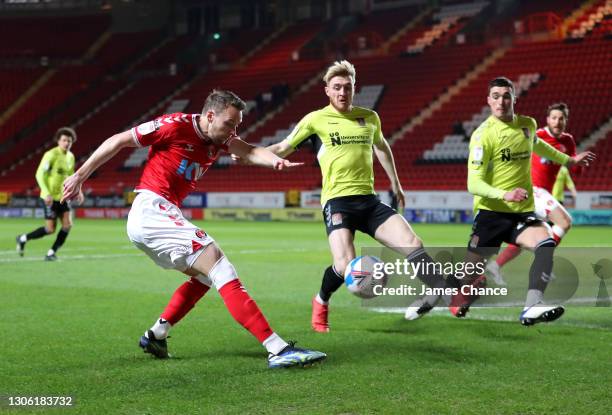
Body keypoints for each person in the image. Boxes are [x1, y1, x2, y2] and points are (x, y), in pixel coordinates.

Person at [61, 90, 326, 368]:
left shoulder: (220, 139)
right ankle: (277, 349)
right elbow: (119, 140)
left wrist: (275, 160)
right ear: (210, 116)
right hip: (152, 209)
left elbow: (248, 150)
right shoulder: (175, 125)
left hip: (158, 217)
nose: (232, 131)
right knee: (219, 265)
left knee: (205, 277)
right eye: (229, 124)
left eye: (237, 126)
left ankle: (156, 334)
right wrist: (79, 176)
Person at [266, 60, 447, 330]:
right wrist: (251, 156)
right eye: (336, 87)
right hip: (338, 202)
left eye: (347, 88)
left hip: (369, 201)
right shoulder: (315, 119)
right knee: (343, 265)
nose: (342, 93)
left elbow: (383, 148)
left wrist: (396, 184)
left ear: (354, 89)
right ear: (326, 90)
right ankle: (321, 300)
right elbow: (282, 146)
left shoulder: (369, 117)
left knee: (412, 241)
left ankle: (434, 290)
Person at [439, 78, 594, 325]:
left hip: (521, 211)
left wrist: (569, 161)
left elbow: (540, 146)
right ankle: (436, 296)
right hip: (492, 213)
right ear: (488, 100)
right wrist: (504, 194)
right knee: (468, 275)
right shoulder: (482, 136)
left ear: (514, 99)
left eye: (506, 96)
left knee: (545, 243)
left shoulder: (527, 125)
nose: (501, 101)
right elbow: (473, 184)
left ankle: (532, 306)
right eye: (496, 96)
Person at [486, 103, 579, 286]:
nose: (557, 121)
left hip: (544, 194)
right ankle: (544, 262)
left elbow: (573, 164)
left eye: (561, 118)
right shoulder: (539, 136)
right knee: (564, 222)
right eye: (554, 117)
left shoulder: (568, 141)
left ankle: (496, 266)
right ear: (547, 119)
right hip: (532, 190)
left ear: (566, 121)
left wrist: (577, 166)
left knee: (529, 236)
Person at [16, 127, 83, 261]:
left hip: (63, 197)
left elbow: (71, 175)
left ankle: (51, 253)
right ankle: (22, 238)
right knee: (50, 229)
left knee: (67, 225)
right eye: (64, 140)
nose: (67, 143)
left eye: (69, 141)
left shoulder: (70, 157)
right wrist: (46, 193)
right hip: (50, 198)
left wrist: (78, 190)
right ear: (58, 141)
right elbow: (39, 174)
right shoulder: (51, 155)